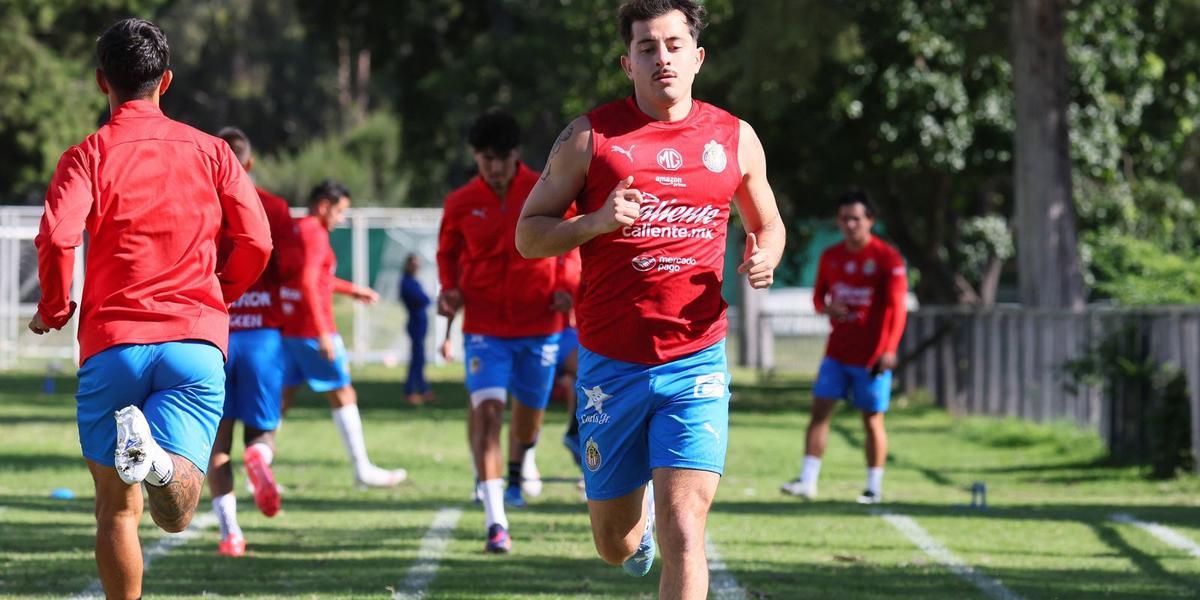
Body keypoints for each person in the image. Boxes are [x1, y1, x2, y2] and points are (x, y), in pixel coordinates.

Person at [515, 1, 785, 597]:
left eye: (672, 44)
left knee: (685, 528)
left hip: (696, 361)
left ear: (697, 57)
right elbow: (528, 234)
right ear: (627, 62)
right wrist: (593, 223)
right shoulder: (590, 137)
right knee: (616, 543)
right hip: (611, 364)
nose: (661, 58)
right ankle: (636, 547)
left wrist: (765, 254)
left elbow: (768, 222)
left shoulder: (734, 138)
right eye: (646, 48)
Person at [29, 18, 272, 599]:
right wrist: (220, 294)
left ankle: (152, 469)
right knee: (177, 512)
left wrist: (55, 308)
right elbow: (258, 241)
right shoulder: (213, 151)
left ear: (99, 82)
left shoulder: (85, 156)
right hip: (194, 343)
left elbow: (60, 238)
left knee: (116, 511)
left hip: (113, 346)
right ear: (165, 81)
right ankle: (161, 465)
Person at [437, 110, 579, 553]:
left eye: (502, 158)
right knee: (488, 413)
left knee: (527, 419)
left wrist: (566, 287)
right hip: (484, 328)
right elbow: (447, 254)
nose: (495, 167)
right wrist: (449, 290)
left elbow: (572, 242)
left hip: (541, 324)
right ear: (476, 158)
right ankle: (496, 522)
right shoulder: (460, 202)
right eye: (486, 159)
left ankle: (521, 464)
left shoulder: (546, 187)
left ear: (516, 154)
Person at [206, 127, 301, 557]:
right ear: (250, 163)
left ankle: (231, 534)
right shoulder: (276, 208)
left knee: (217, 444)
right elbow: (294, 270)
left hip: (216, 333)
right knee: (262, 432)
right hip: (264, 335)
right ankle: (260, 458)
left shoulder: (200, 203)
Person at [781, 190, 907, 504]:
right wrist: (828, 309)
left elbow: (898, 308)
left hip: (871, 356)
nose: (850, 224)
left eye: (856, 218)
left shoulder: (886, 258)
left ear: (870, 221)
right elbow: (817, 299)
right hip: (837, 352)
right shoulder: (831, 256)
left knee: (871, 419)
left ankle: (873, 487)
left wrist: (889, 349)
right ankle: (807, 481)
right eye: (844, 218)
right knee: (819, 412)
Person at [279, 180, 408, 488]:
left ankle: (259, 468)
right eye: (339, 212)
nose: (341, 219)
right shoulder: (316, 232)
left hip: (290, 327)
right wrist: (323, 332)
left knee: (280, 400)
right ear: (324, 206)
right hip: (313, 330)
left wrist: (352, 290)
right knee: (343, 393)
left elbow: (314, 278)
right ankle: (362, 469)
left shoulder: (298, 229)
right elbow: (310, 283)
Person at [400, 253, 434, 405]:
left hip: (419, 323)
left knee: (419, 358)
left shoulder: (413, 281)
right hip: (415, 324)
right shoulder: (407, 282)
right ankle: (411, 391)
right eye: (413, 264)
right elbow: (423, 299)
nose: (416, 267)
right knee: (417, 359)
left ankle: (422, 389)